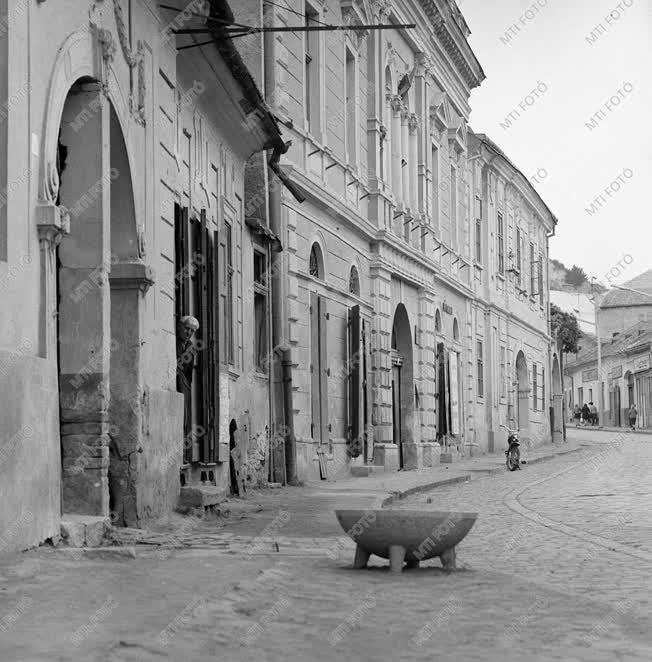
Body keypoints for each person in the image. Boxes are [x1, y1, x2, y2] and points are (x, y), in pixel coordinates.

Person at [176, 315, 200, 449]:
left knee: (186, 417)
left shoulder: (191, 347)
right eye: (187, 329)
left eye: (192, 331)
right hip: (176, 383)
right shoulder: (173, 341)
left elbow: (189, 372)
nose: (189, 333)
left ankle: (185, 451)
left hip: (185, 385)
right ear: (180, 327)